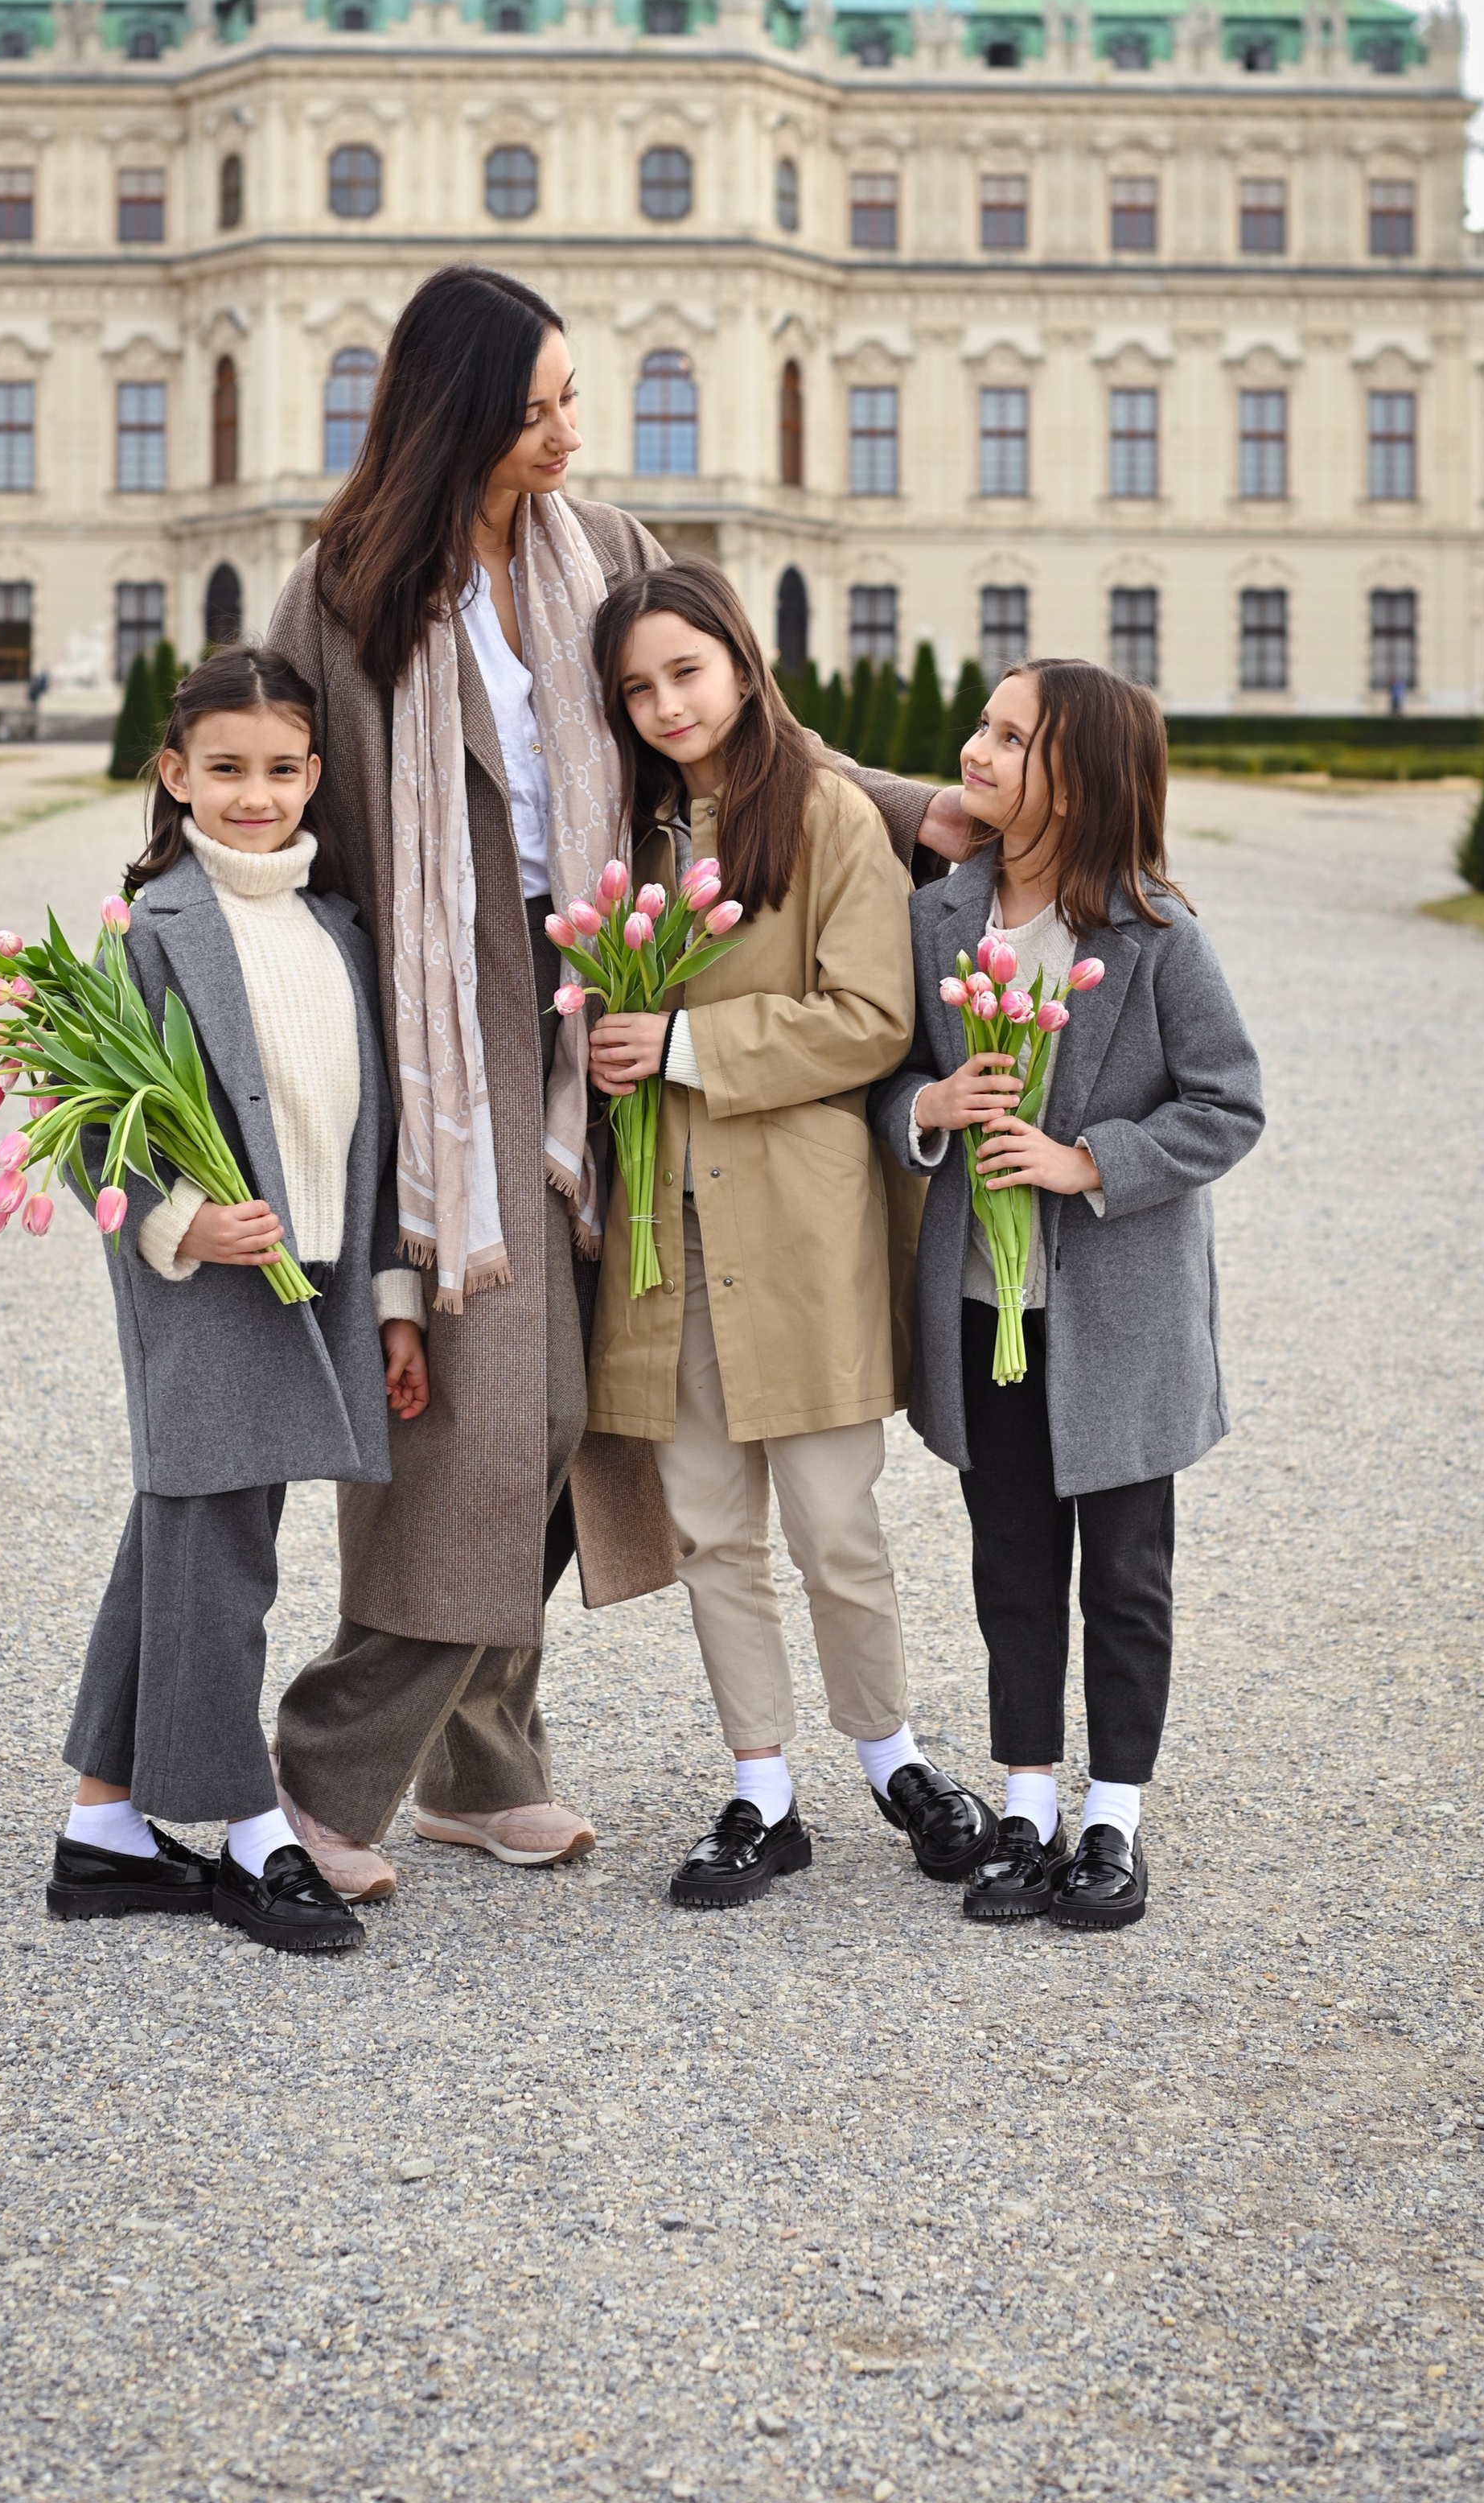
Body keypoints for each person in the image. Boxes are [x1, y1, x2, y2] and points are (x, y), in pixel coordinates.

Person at [265, 263, 961, 1898]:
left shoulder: (604, 551)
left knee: (595, 1410)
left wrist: (922, 804)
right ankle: (322, 1769)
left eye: (574, 394)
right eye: (539, 409)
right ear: (455, 421)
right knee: (515, 1407)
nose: (576, 429)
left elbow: (743, 731)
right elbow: (271, 787)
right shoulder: (345, 588)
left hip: (609, 995)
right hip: (441, 1012)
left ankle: (484, 1763)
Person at [584, 562, 1000, 1907]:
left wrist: (686, 1043)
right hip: (670, 1223)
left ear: (741, 660)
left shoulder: (822, 813)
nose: (663, 705)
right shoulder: (634, 833)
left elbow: (873, 1018)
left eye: (684, 673)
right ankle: (762, 1790)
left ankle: (890, 1756)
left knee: (835, 1517)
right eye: (637, 688)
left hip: (801, 1214)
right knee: (709, 1521)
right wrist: (610, 1059)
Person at [47, 646, 430, 1956]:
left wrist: (392, 1302)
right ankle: (248, 1832)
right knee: (225, 1553)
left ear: (314, 775)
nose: (255, 794)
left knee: (183, 1531)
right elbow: (84, 1121)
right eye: (225, 771)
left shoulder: (337, 928)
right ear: (177, 776)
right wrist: (179, 1221)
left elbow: (371, 1140)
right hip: (204, 1281)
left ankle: (103, 1829)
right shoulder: (149, 928)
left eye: (279, 770)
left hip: (316, 1277)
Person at [869, 660, 1264, 1932]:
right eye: (981, 725)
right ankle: (1030, 1802)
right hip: (987, 1313)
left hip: (1121, 1321)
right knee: (1014, 1562)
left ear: (1078, 779)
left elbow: (1229, 1104)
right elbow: (884, 1086)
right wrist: (928, 1111)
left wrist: (1087, 1161)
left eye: (1009, 736)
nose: (975, 748)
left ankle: (1115, 1818)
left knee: (1127, 1575)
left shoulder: (1154, 937)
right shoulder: (941, 919)